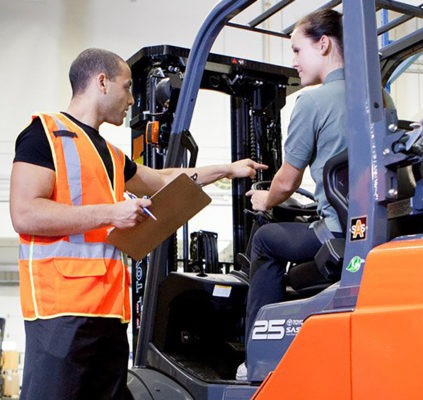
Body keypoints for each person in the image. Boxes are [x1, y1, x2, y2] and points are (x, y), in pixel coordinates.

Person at [9, 48, 267, 399]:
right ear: (102, 82)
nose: (131, 99)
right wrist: (111, 213)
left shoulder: (112, 156)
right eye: (127, 87)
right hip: (62, 311)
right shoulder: (45, 135)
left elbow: (164, 180)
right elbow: (25, 213)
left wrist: (227, 169)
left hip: (110, 313)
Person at [236, 8, 347, 381]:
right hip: (366, 230)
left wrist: (264, 200)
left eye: (298, 51)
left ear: (324, 44)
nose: (294, 62)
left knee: (266, 240)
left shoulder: (312, 102)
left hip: (336, 233)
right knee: (299, 277)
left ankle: (255, 357)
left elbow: (285, 181)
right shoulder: (380, 97)